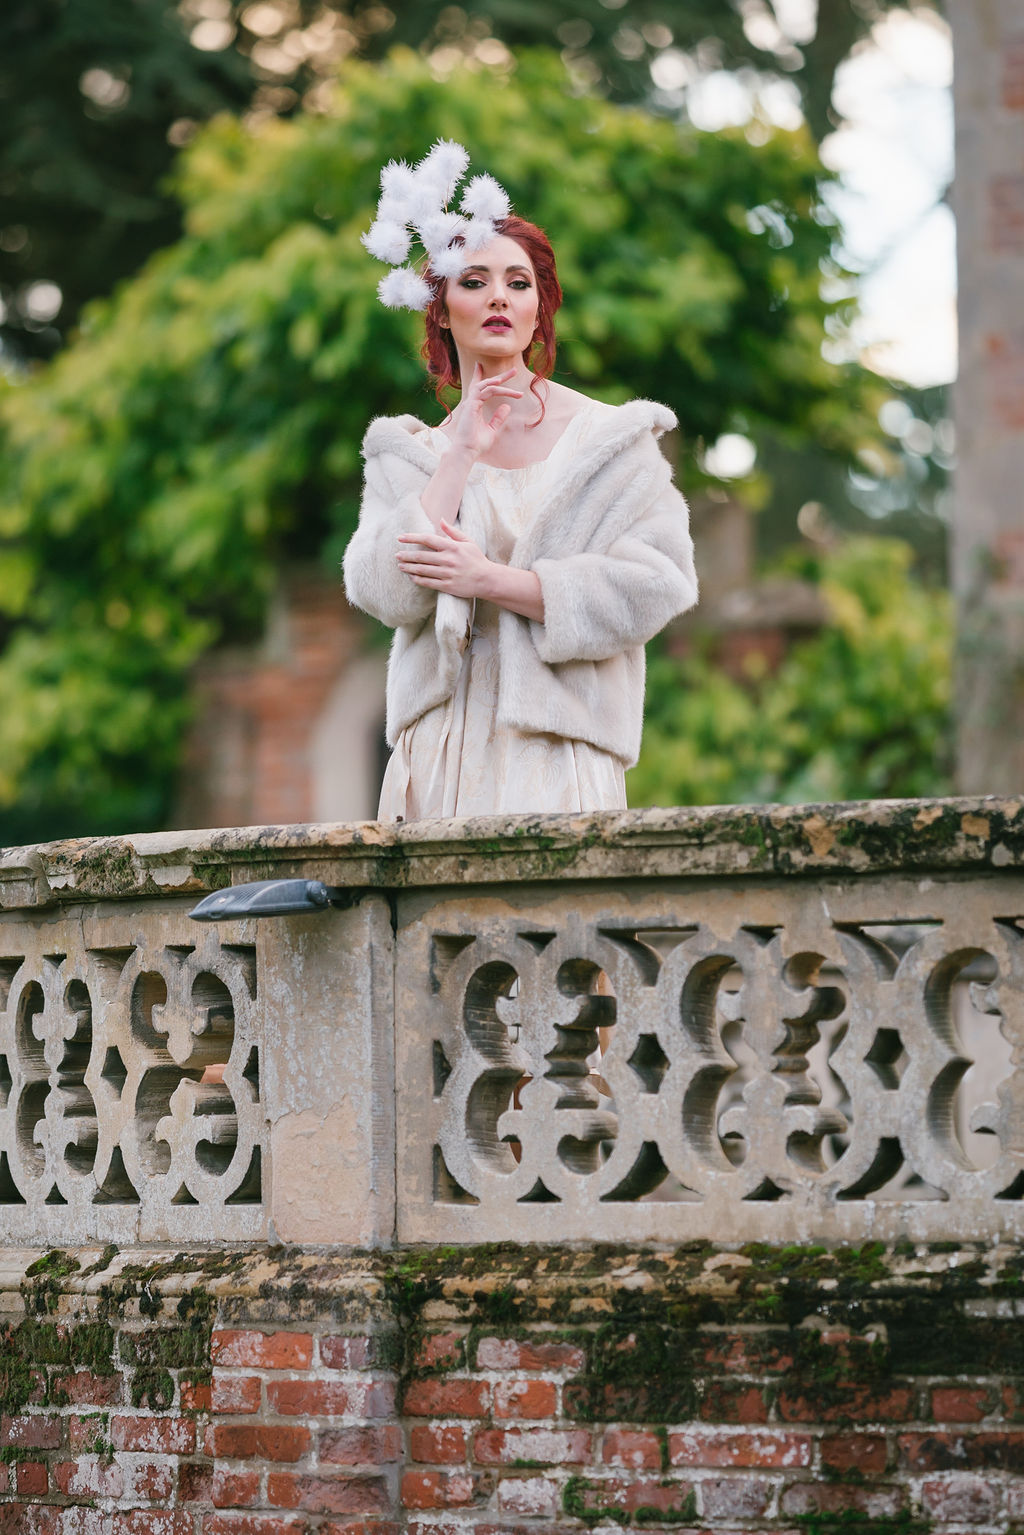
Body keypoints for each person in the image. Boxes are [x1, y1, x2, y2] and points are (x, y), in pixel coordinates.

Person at [343, 144, 698, 821]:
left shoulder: (611, 443)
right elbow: (380, 589)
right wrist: (460, 454)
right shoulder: (408, 454)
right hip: (438, 759)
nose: (499, 296)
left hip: (559, 758)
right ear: (442, 308)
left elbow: (659, 584)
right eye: (473, 281)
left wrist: (492, 581)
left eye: (519, 281)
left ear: (542, 305)